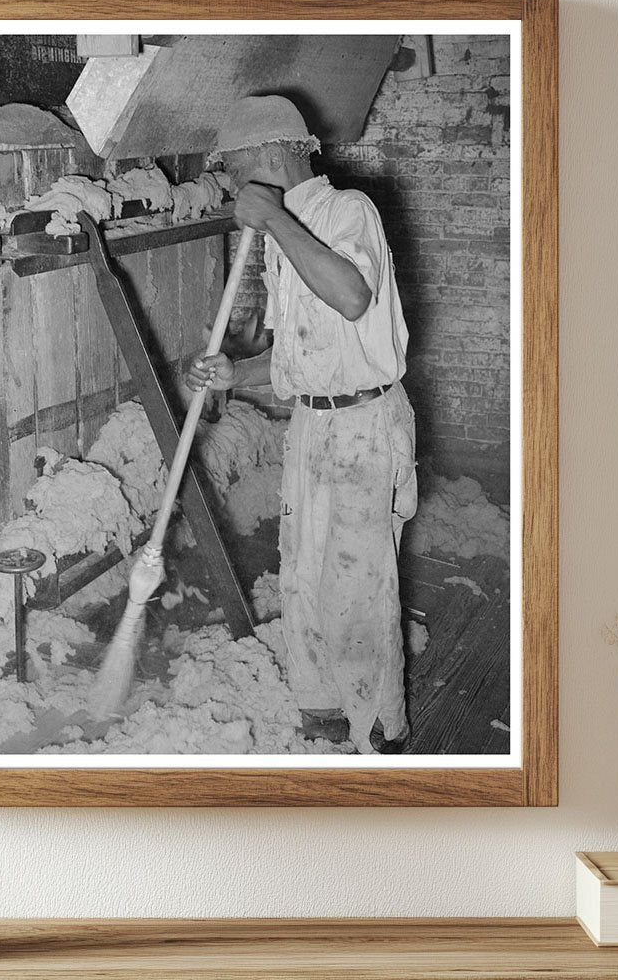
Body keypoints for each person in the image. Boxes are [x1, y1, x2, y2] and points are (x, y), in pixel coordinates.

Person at [185, 96, 417, 754]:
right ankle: (325, 712)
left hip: (363, 430)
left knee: (356, 591)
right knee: (304, 578)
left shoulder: (346, 212)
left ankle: (381, 733)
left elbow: (350, 298)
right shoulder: (288, 230)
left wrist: (274, 223)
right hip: (313, 428)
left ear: (271, 155)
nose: (230, 184)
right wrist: (237, 372)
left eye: (232, 169)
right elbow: (301, 355)